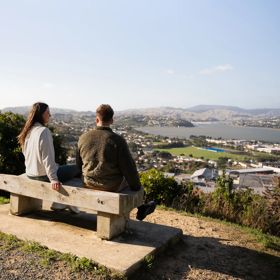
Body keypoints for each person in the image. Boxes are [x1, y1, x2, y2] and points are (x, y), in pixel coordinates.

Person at [76, 104, 156, 220]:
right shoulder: (117, 141)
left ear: (97, 119)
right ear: (112, 120)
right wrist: (137, 187)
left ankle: (142, 207)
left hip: (88, 182)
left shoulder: (83, 138)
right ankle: (142, 207)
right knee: (135, 184)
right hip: (111, 186)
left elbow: (79, 165)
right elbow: (129, 169)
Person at [17, 102, 80, 213]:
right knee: (78, 168)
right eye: (48, 112)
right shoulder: (44, 131)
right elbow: (48, 158)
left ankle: (61, 202)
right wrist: (53, 179)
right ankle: (64, 201)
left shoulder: (27, 131)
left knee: (66, 170)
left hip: (31, 174)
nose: (50, 115)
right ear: (40, 114)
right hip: (44, 176)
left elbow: (25, 154)